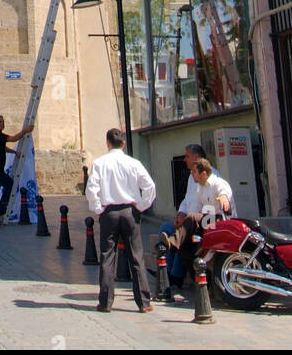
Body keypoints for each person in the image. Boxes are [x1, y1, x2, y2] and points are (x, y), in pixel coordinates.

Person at [85, 127, 156, 314]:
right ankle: (144, 302)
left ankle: (105, 302)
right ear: (123, 143)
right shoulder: (133, 163)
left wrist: (99, 209)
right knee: (136, 256)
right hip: (130, 211)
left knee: (107, 256)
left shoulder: (100, 163)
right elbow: (149, 186)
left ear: (107, 143)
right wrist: (140, 206)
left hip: (109, 212)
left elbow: (91, 189)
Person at [160, 158, 235, 291]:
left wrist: (223, 198)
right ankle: (203, 283)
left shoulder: (218, 182)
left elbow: (224, 193)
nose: (191, 174)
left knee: (192, 217)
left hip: (222, 221)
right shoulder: (200, 188)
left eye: (194, 172)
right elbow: (196, 206)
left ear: (203, 173)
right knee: (185, 247)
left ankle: (171, 243)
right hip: (208, 222)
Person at [158, 142, 216, 295]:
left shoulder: (212, 178)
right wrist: (180, 213)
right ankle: (167, 271)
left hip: (203, 223)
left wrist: (188, 219)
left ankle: (175, 277)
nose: (184, 159)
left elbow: (209, 206)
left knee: (183, 239)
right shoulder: (193, 176)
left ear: (196, 157)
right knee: (166, 228)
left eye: (187, 156)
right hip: (188, 220)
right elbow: (188, 199)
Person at [0, 114, 34, 222]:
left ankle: (2, 207)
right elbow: (13, 139)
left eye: (3, 122)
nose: (2, 124)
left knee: (8, 184)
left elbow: (2, 147)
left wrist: (14, 152)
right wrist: (25, 130)